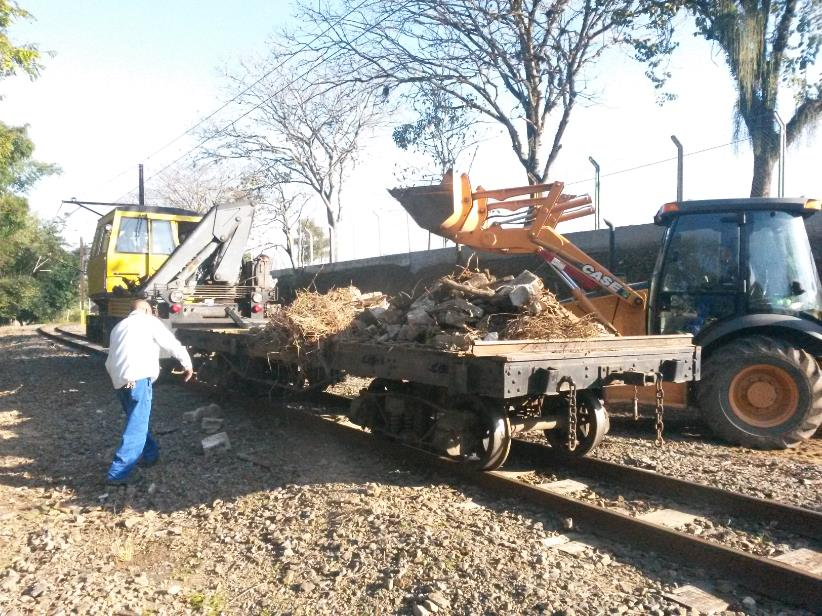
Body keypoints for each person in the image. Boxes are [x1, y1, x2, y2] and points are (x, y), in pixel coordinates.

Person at [104, 299, 193, 485]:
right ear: (147, 310)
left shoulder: (118, 327)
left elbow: (109, 359)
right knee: (136, 425)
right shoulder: (150, 322)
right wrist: (187, 365)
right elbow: (172, 344)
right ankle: (117, 473)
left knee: (135, 419)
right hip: (138, 380)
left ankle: (151, 455)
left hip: (122, 383)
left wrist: (117, 379)